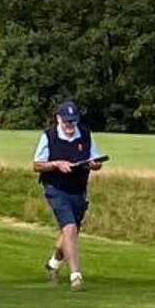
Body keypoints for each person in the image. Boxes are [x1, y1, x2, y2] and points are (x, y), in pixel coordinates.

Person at [32, 100, 103, 292]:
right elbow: (37, 164)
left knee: (71, 232)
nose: (70, 125)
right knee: (70, 229)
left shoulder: (86, 134)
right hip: (55, 188)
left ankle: (53, 263)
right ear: (58, 119)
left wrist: (94, 165)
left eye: (73, 121)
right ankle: (76, 276)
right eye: (66, 121)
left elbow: (95, 159)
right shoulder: (49, 136)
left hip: (78, 189)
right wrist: (56, 164)